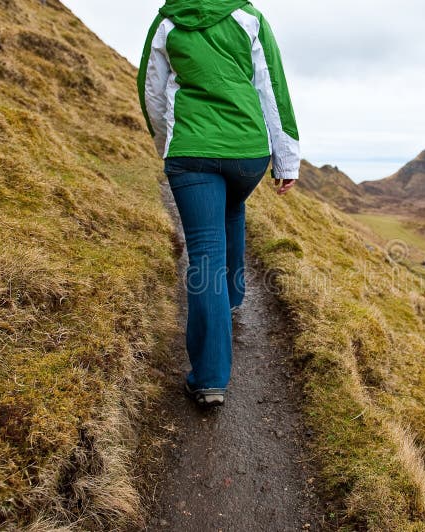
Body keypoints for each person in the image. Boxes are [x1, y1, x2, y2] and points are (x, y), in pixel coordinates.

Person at [137, 0, 300, 407]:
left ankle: (209, 377)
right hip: (247, 153)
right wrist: (287, 159)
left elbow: (152, 91)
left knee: (205, 251)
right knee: (232, 208)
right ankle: (231, 297)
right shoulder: (249, 18)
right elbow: (271, 86)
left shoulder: (166, 21)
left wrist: (168, 143)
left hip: (191, 151)